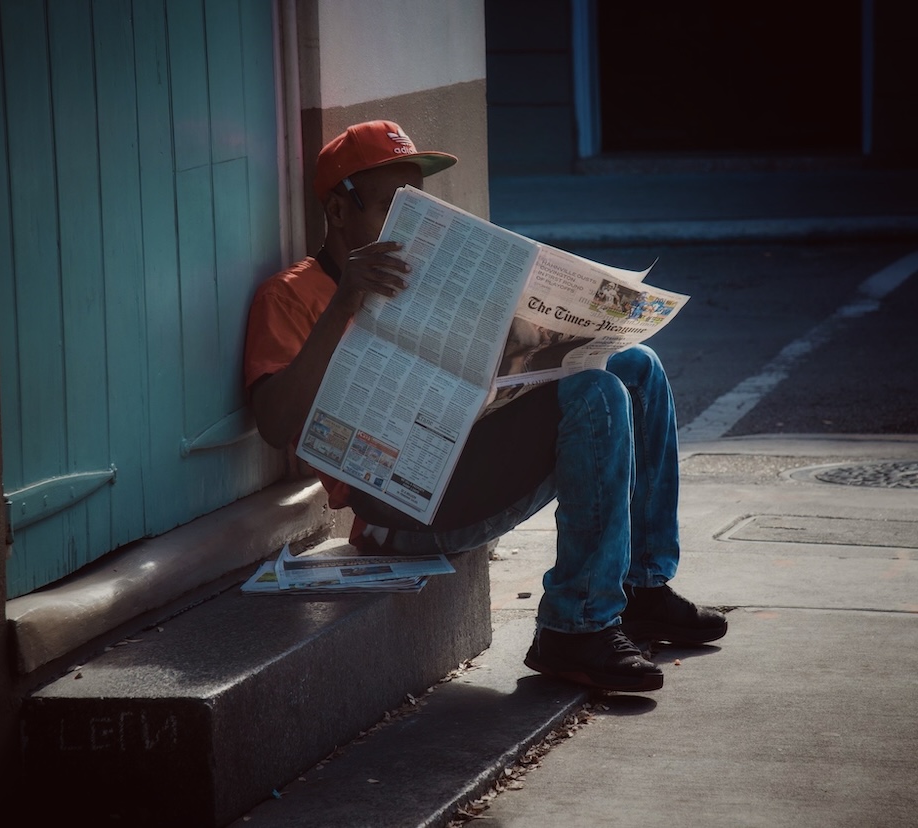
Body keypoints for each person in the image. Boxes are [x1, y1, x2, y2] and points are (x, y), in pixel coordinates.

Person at [244, 120, 726, 693]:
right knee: (595, 395)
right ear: (339, 212)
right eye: (390, 209)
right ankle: (574, 626)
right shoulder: (289, 294)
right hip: (400, 507)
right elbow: (274, 424)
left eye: (417, 209)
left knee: (635, 366)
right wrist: (343, 300)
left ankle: (640, 588)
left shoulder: (428, 279)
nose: (408, 229)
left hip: (467, 460)